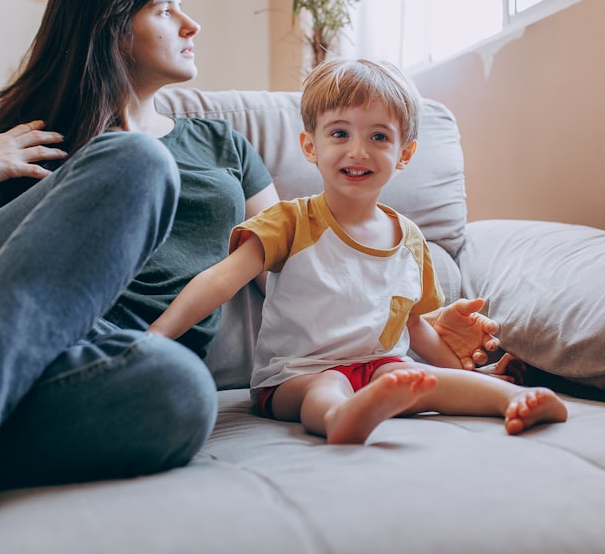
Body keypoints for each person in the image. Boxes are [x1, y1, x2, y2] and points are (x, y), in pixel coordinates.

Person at [0, 0, 498, 554]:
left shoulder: (219, 144)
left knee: (185, 393)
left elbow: (299, 259)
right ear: (111, 25)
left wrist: (411, 313)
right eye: (166, 9)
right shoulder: (32, 136)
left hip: (95, 367)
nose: (191, 24)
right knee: (138, 159)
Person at [149, 58, 568, 444]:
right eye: (339, 133)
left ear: (404, 154)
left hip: (379, 367)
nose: (358, 150)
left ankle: (510, 400)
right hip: (296, 375)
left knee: (422, 378)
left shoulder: (410, 239)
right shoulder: (290, 221)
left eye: (379, 136)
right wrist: (157, 336)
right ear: (311, 146)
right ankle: (342, 419)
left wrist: (460, 371)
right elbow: (219, 281)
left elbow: (416, 328)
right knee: (326, 388)